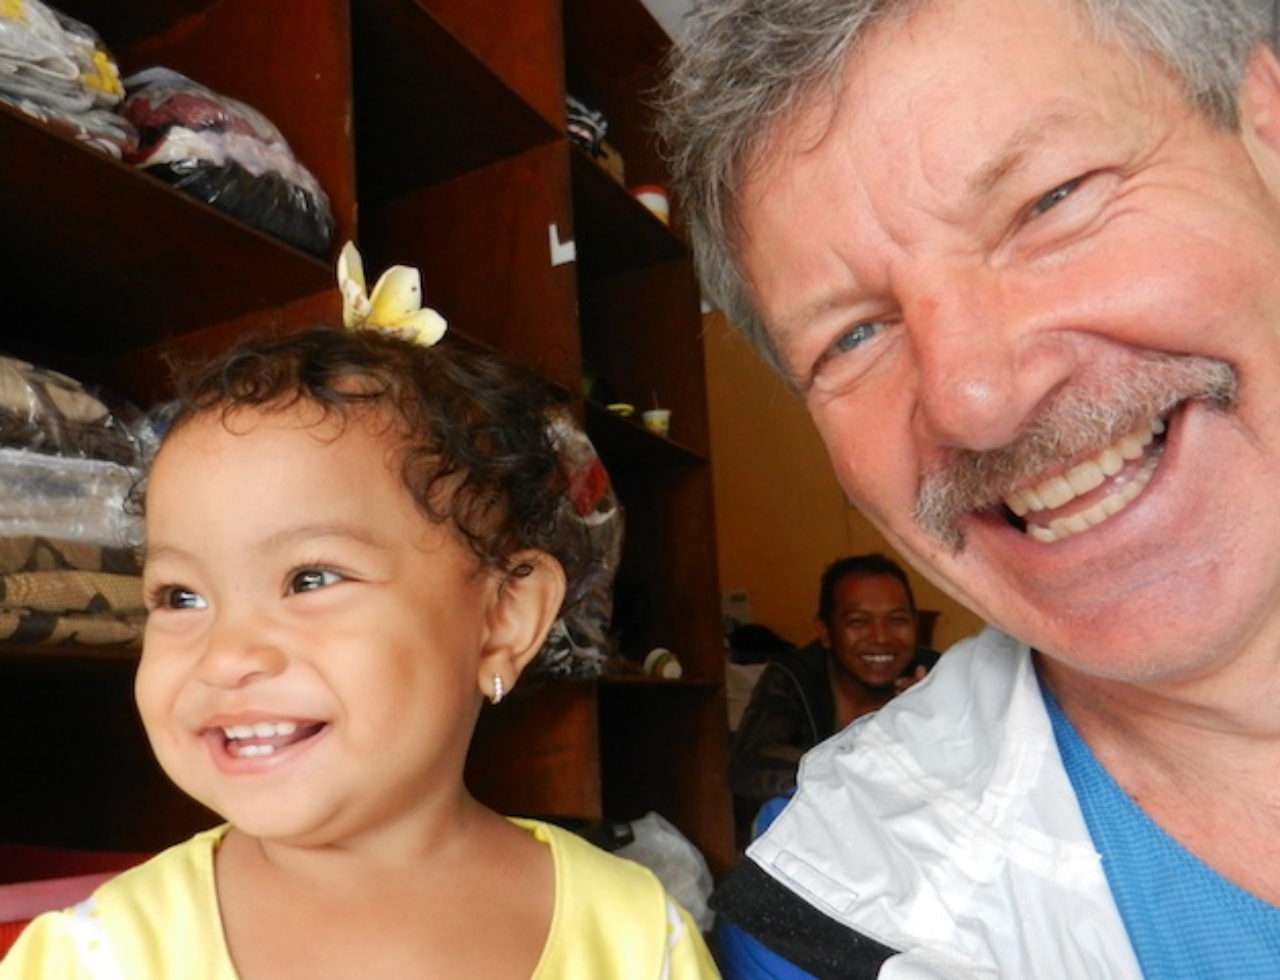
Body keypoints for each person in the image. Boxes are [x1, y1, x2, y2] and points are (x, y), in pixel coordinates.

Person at [660, 0, 1280, 976]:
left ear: (1265, 129)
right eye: (851, 335)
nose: (973, 400)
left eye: (1049, 201)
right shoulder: (832, 916)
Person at [0, 249, 718, 978]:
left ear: (503, 616)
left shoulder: (634, 933)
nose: (225, 655)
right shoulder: (92, 956)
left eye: (309, 578)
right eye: (180, 597)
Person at [728, 554, 935, 806]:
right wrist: (853, 769)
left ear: (915, 625)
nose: (880, 637)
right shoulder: (797, 676)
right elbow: (747, 765)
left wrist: (932, 724)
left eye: (897, 620)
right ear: (826, 633)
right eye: (858, 622)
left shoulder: (935, 675)